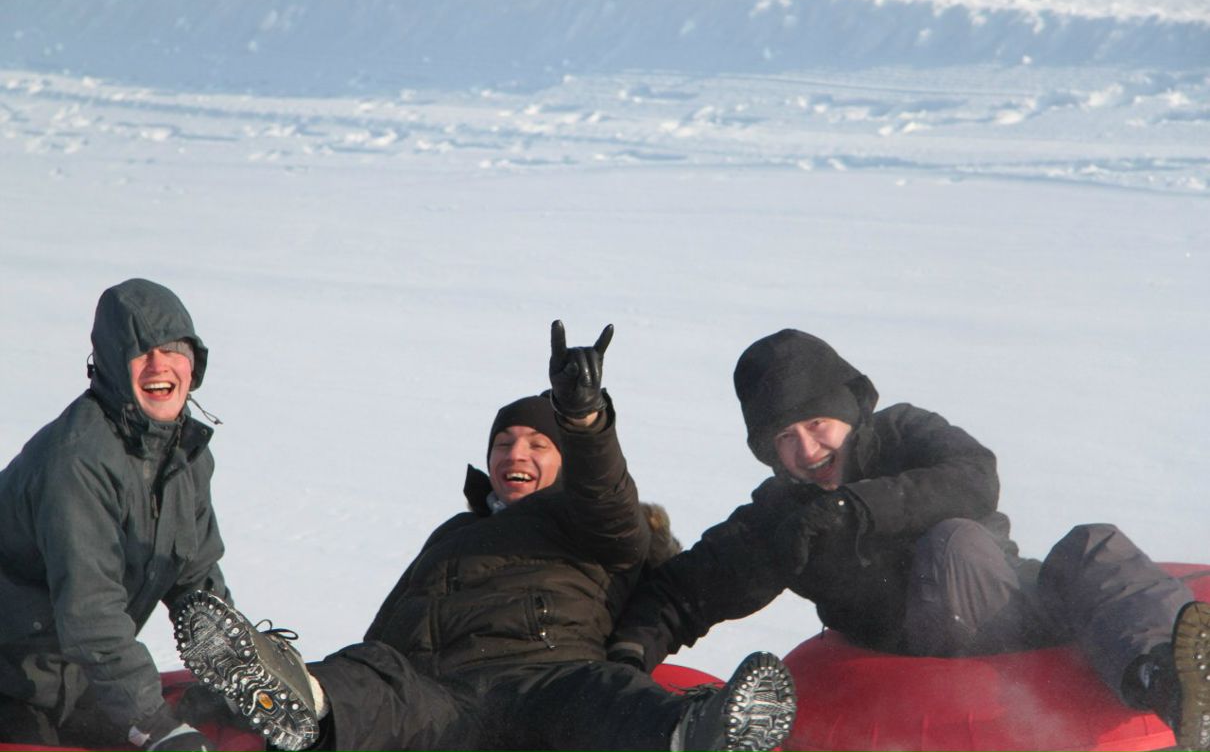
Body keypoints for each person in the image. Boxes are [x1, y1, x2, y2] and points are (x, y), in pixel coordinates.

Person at [170, 322, 797, 752]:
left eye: (535, 443)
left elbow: (605, 496)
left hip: (544, 674)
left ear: (566, 460)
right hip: (439, 692)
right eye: (503, 443)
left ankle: (700, 735)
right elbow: (392, 625)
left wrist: (583, 422)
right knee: (374, 672)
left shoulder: (590, 518)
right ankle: (291, 697)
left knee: (604, 695)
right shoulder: (455, 534)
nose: (514, 453)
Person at [608, 328, 1210, 752]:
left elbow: (973, 480)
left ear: (851, 411)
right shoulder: (782, 518)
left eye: (818, 424)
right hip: (928, 662)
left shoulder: (903, 431)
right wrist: (624, 663)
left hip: (1017, 608)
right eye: (784, 438)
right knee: (950, 551)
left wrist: (855, 508)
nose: (808, 451)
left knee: (1090, 545)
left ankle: (1174, 685)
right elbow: (688, 590)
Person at [0, 279, 231, 752]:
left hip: (73, 677)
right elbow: (92, 612)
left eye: (171, 348)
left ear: (194, 361)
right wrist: (151, 721)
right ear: (109, 363)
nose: (158, 364)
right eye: (139, 350)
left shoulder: (185, 456)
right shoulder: (76, 461)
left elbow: (197, 582)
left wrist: (238, 669)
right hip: (10, 681)